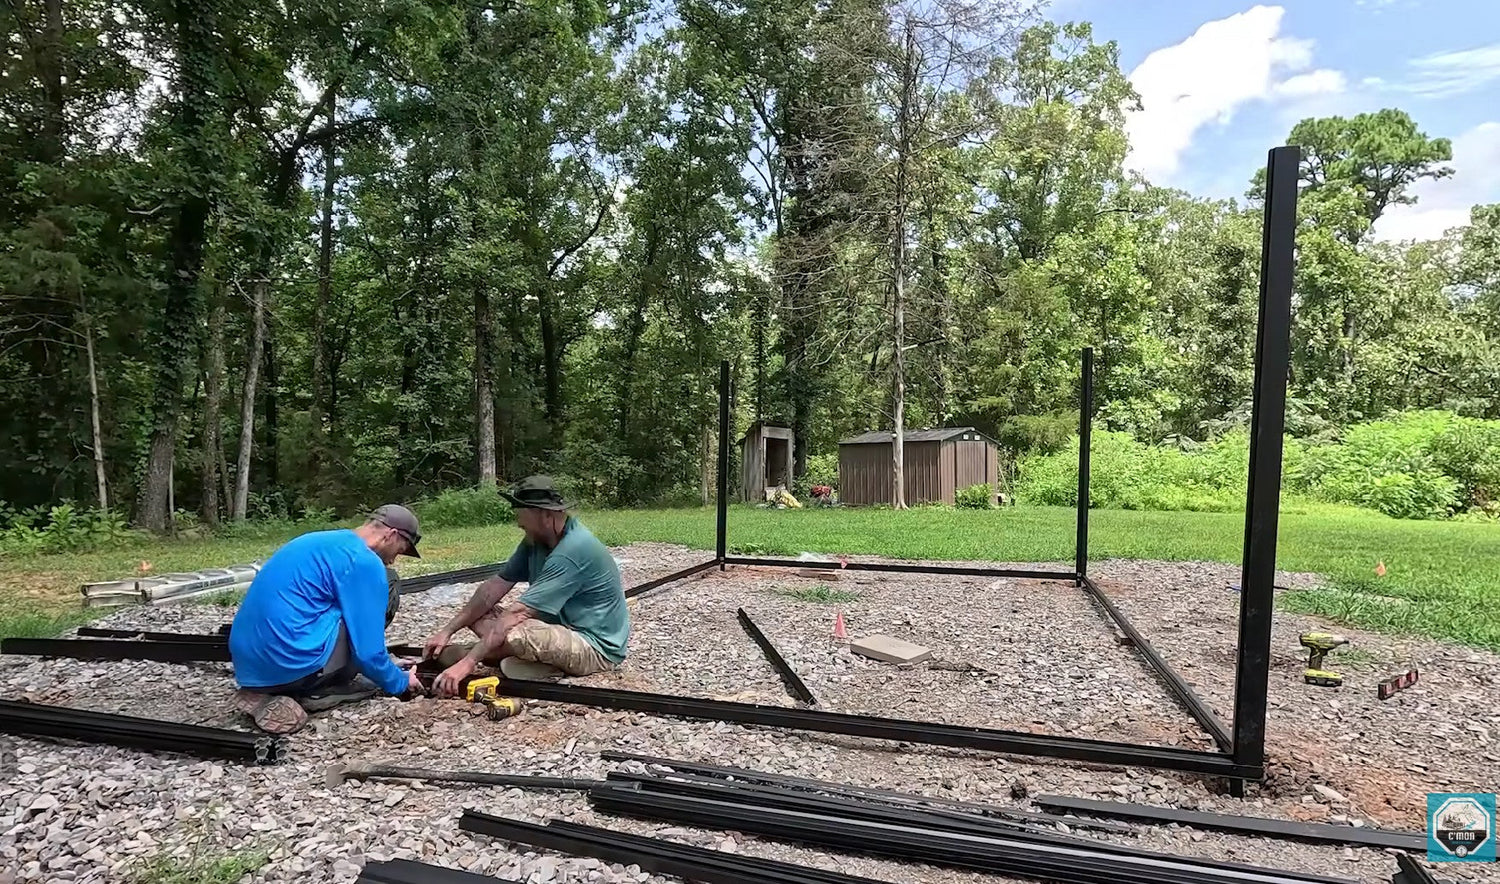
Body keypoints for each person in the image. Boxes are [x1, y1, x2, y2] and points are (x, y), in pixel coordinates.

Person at [425, 476, 629, 696]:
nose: (518, 522)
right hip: (556, 628)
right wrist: (446, 631)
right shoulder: (536, 542)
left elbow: (518, 613)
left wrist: (468, 663)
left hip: (595, 648)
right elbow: (493, 587)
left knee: (516, 633)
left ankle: (515, 658)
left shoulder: (572, 551)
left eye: (520, 512)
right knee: (480, 610)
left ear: (545, 515)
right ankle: (521, 660)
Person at [230, 505, 425, 733]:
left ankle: (266, 689)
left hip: (249, 665)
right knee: (386, 584)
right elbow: (368, 654)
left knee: (334, 605)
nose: (393, 560)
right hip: (289, 666)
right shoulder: (364, 561)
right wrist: (400, 682)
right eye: (399, 551)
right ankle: (318, 690)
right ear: (391, 535)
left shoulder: (318, 540)